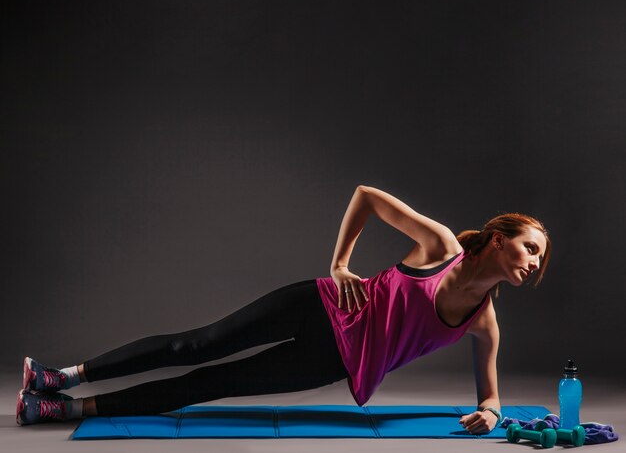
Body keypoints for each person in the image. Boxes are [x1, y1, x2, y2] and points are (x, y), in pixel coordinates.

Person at [16, 185, 550, 435]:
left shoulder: (484, 320)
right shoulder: (439, 247)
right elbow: (365, 195)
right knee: (197, 344)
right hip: (319, 305)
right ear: (499, 239)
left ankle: (66, 409)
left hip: (333, 362)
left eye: (541, 258)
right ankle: (58, 377)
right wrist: (342, 265)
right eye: (530, 248)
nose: (534, 262)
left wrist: (493, 412)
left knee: (207, 384)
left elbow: (491, 394)